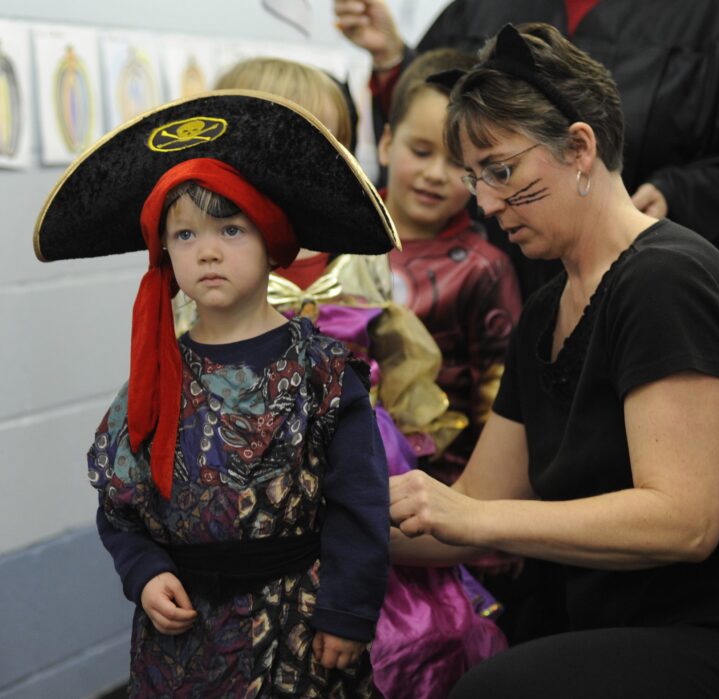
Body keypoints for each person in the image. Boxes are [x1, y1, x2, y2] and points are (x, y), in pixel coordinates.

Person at [387, 24, 719, 697]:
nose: (484, 203)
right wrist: (312, 531)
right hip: (627, 623)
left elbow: (683, 520)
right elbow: (472, 505)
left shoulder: (663, 280)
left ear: (579, 147)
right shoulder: (546, 310)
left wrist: (472, 519)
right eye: (475, 178)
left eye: (501, 172)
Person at [33, 92, 395, 697]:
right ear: (165, 254)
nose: (206, 250)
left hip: (297, 630)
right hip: (181, 643)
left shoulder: (324, 373)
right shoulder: (153, 378)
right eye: (184, 234)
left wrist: (348, 613)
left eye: (230, 228)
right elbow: (121, 508)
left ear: (272, 240)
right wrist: (145, 574)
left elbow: (361, 504)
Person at [215, 55, 507, 699]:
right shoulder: (206, 262)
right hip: (249, 461)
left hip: (357, 455)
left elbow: (399, 365)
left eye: (327, 152)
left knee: (395, 632)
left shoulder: (359, 256)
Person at [335, 0, 719, 314]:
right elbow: (444, 113)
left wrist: (678, 194)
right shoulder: (486, 6)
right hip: (495, 293)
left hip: (634, 293)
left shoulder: (711, 21)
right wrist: (395, 61)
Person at [379, 48, 522, 484]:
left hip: (444, 496)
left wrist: (481, 527)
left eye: (458, 164)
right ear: (386, 144)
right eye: (421, 152)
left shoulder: (484, 269)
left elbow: (501, 405)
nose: (436, 174)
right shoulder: (332, 245)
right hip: (336, 500)